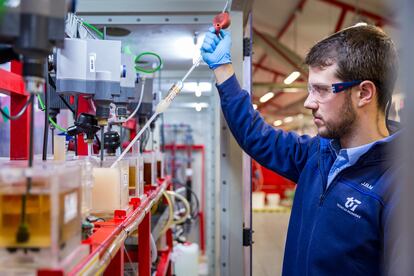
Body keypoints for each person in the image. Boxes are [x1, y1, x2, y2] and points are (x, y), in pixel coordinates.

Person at [201, 24, 400, 275]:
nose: (308, 102)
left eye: (321, 90)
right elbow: (256, 136)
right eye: (309, 89)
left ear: (364, 93)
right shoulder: (319, 153)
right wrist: (222, 69)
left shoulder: (398, 186)